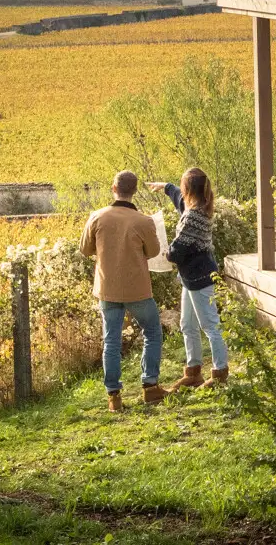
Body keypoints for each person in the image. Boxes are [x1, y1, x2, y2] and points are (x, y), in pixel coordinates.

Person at [80, 170, 165, 412]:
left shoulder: (97, 217)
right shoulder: (144, 221)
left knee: (111, 341)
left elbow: (85, 250)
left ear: (113, 188)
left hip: (107, 288)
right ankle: (150, 387)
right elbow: (153, 252)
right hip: (138, 288)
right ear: (135, 191)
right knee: (152, 333)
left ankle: (114, 397)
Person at [147, 168, 228, 388]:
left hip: (200, 278)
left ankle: (220, 373)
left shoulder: (194, 217)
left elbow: (176, 251)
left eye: (182, 186)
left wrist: (162, 252)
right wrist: (166, 187)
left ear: (189, 188)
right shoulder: (196, 206)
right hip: (190, 278)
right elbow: (180, 201)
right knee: (187, 325)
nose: (180, 190)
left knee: (210, 325)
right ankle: (193, 372)